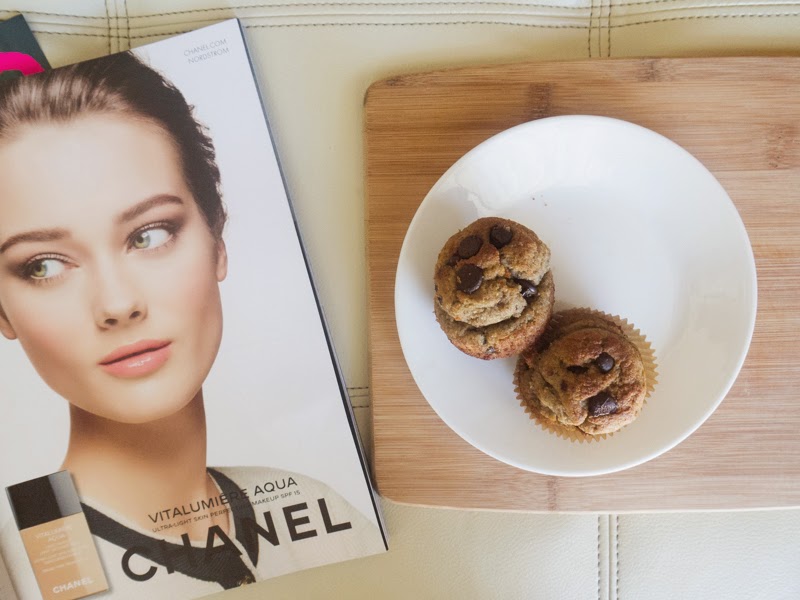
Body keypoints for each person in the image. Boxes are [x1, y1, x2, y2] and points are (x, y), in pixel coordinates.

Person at [0, 52, 383, 598]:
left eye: (149, 235)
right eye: (43, 265)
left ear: (216, 241)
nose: (118, 303)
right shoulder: (20, 567)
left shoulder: (317, 508)